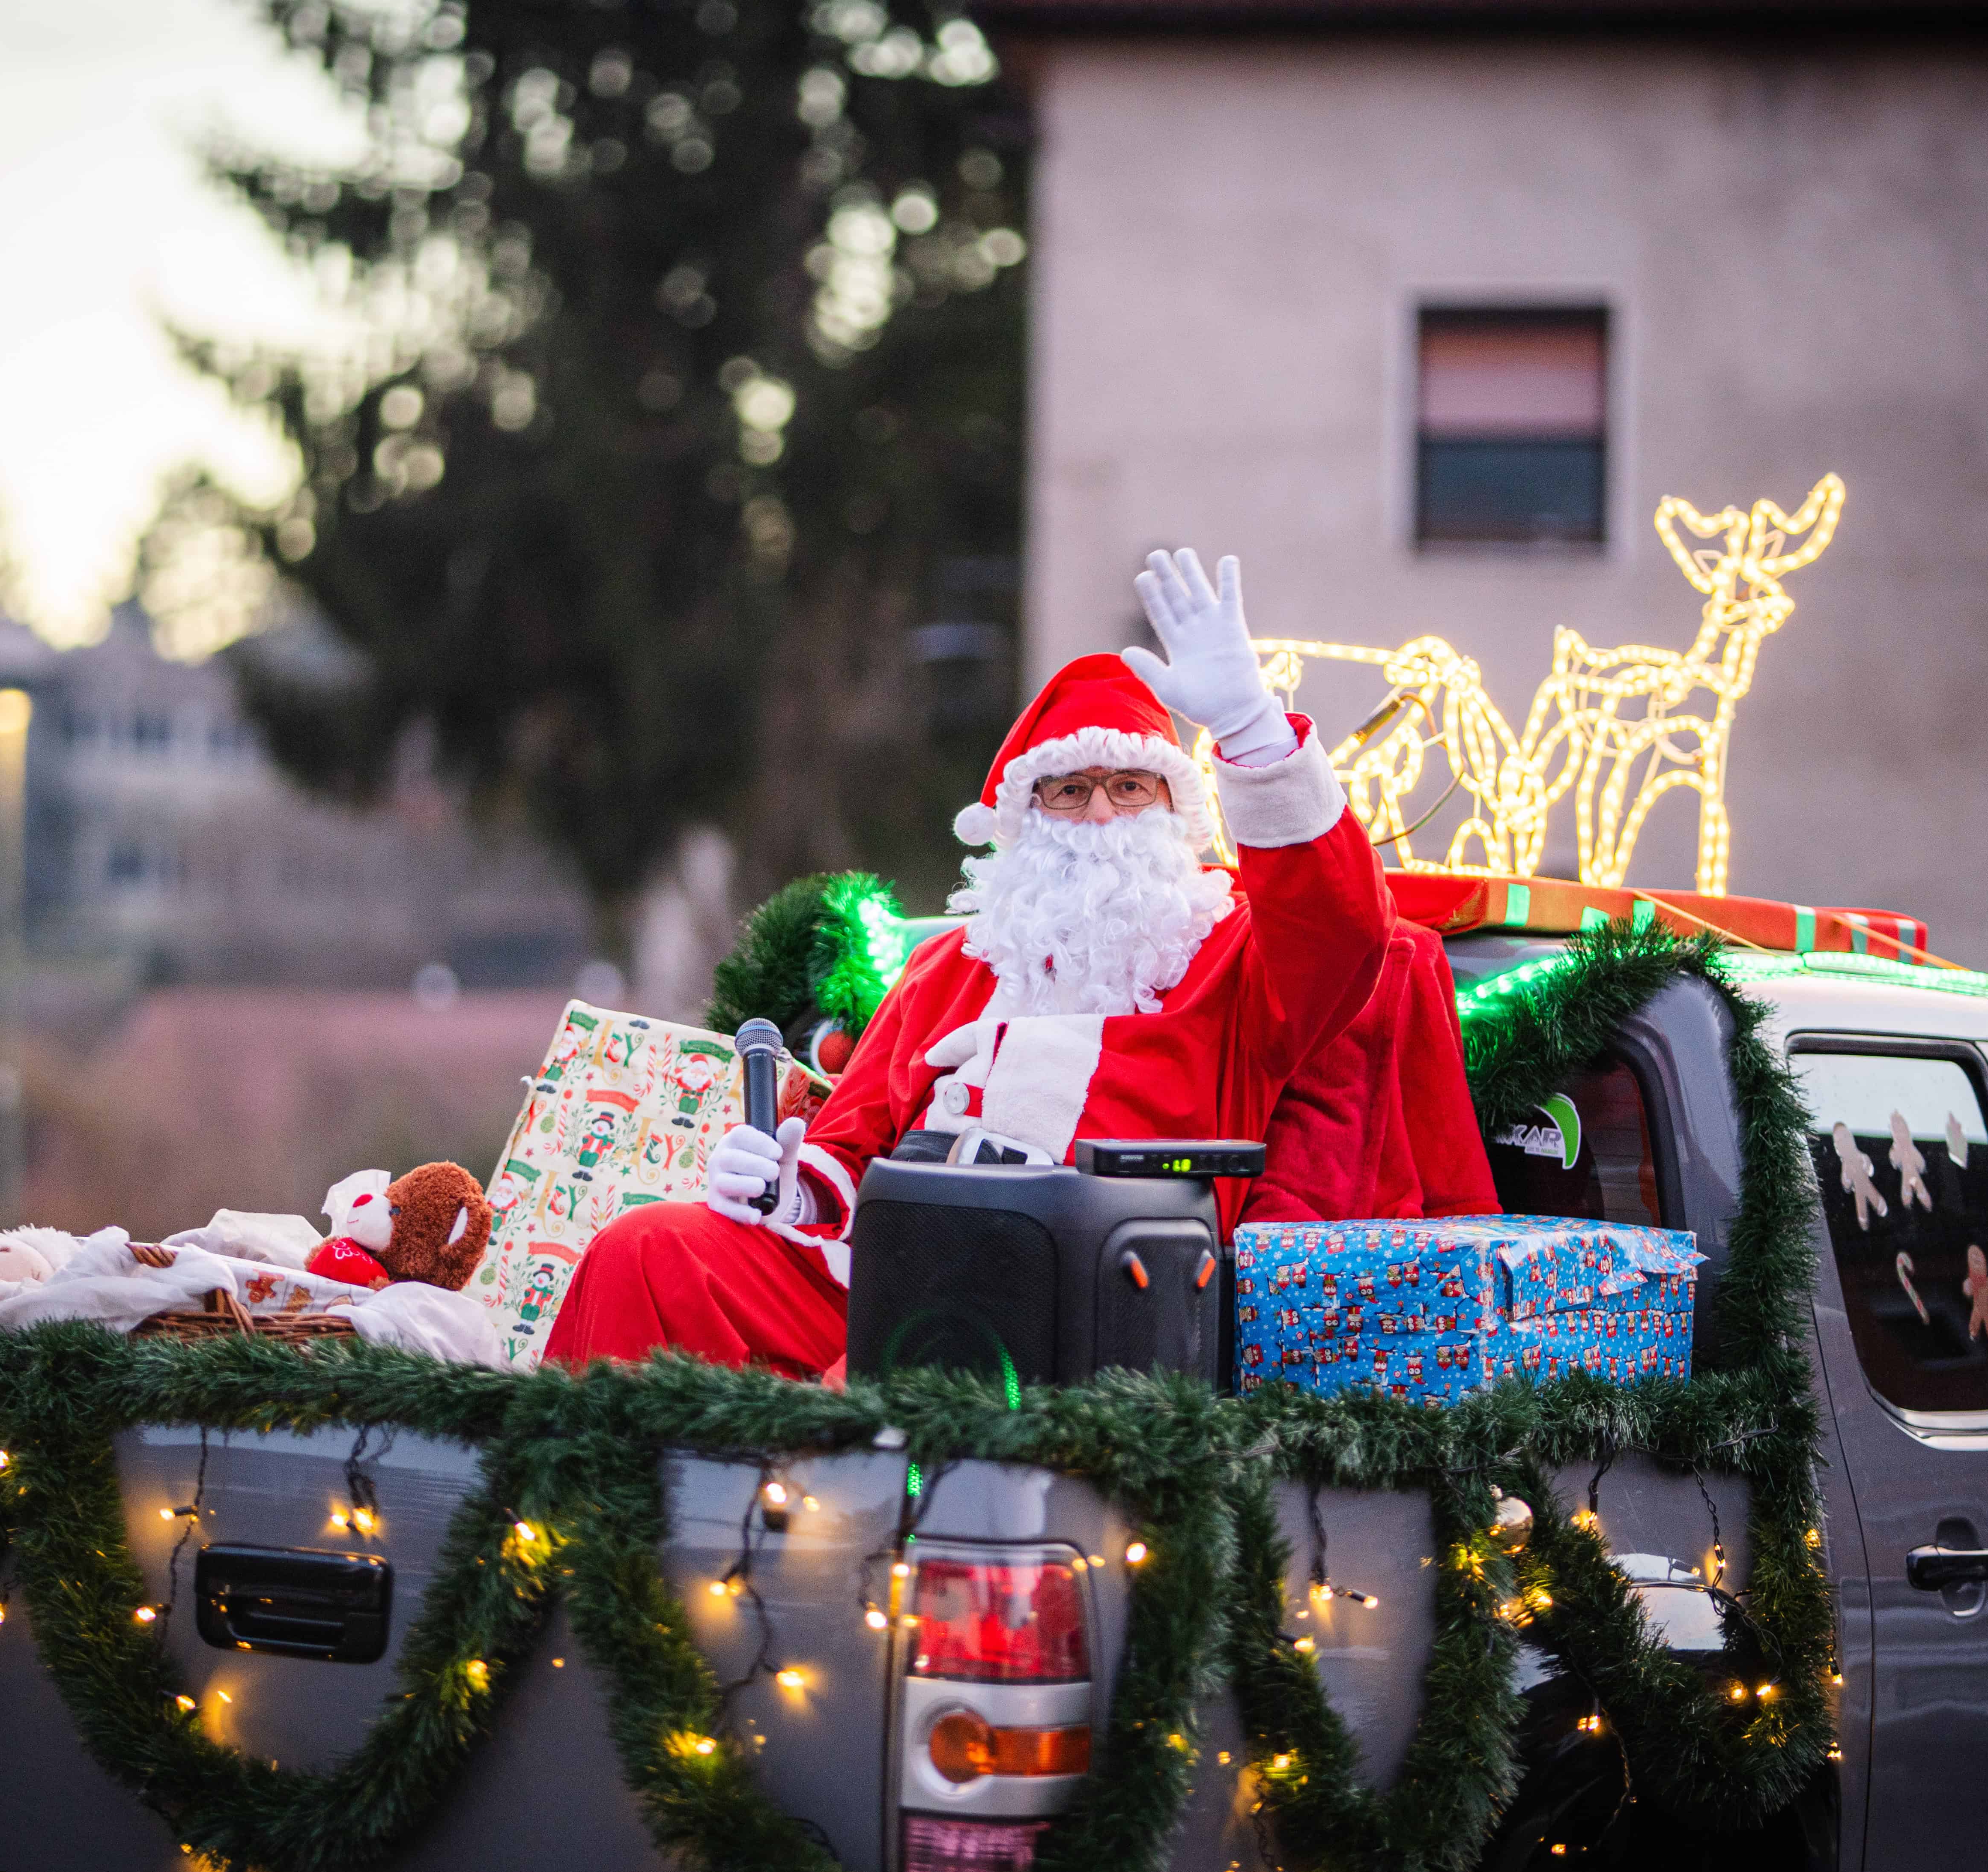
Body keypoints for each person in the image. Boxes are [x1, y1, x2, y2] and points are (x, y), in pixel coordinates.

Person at [542, 547, 1390, 1377]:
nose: (1101, 815)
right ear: (1029, 816)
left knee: (900, 1364)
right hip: (889, 1263)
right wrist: (786, 1189)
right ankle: (612, 1479)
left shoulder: (1231, 955)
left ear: (1175, 810)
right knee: (645, 1250)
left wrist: (1251, 730)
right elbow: (851, 1143)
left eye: (1131, 787)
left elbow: (1344, 930)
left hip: (1093, 1287)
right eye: (1071, 790)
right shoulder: (954, 964)